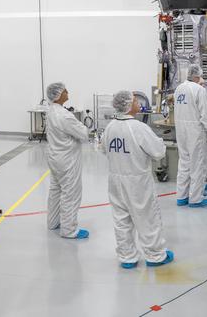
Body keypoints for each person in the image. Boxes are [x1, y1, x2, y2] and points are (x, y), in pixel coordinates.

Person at [101, 91, 174, 269]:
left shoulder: (110, 127)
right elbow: (158, 152)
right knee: (147, 218)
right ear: (127, 106)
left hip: (115, 180)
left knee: (121, 219)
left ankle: (127, 257)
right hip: (137, 181)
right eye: (134, 101)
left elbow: (103, 149)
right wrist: (158, 142)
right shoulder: (138, 127)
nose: (138, 103)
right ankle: (155, 255)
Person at [44, 82, 90, 239]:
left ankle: (53, 222)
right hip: (67, 160)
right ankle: (69, 230)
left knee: (55, 190)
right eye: (64, 91)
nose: (67, 92)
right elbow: (83, 134)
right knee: (70, 193)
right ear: (57, 96)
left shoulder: (50, 111)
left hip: (54, 157)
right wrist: (83, 128)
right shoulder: (64, 115)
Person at [174, 65, 207, 208]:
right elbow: (205, 114)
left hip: (181, 130)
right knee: (198, 164)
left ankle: (182, 196)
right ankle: (196, 199)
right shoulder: (199, 90)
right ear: (198, 76)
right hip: (196, 132)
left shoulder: (179, 89)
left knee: (184, 163)